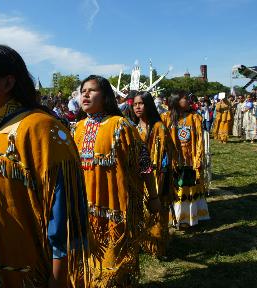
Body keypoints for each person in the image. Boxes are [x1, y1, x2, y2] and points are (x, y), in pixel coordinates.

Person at [0, 44, 88, 287]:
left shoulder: (40, 128)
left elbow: (65, 212)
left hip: (26, 273)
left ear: (8, 83)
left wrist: (59, 278)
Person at [73, 75, 161, 287]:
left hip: (116, 211)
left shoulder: (120, 125)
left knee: (114, 265)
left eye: (91, 90)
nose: (85, 94)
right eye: (82, 90)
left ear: (105, 97)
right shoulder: (77, 128)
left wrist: (154, 196)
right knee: (87, 262)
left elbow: (144, 163)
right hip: (84, 210)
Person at [133, 91, 173, 257]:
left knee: (156, 211)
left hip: (157, 176)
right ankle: (143, 241)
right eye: (135, 104)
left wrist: (162, 178)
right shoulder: (133, 128)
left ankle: (157, 245)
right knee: (141, 211)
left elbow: (166, 155)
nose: (137, 107)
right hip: (138, 177)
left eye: (141, 103)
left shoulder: (159, 127)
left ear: (148, 105)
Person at [161, 92, 209, 228]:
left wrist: (198, 158)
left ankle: (189, 217)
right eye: (185, 99)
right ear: (176, 101)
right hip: (173, 161)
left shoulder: (194, 118)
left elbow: (199, 139)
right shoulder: (165, 118)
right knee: (176, 187)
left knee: (189, 187)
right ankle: (175, 217)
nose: (189, 101)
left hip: (190, 161)